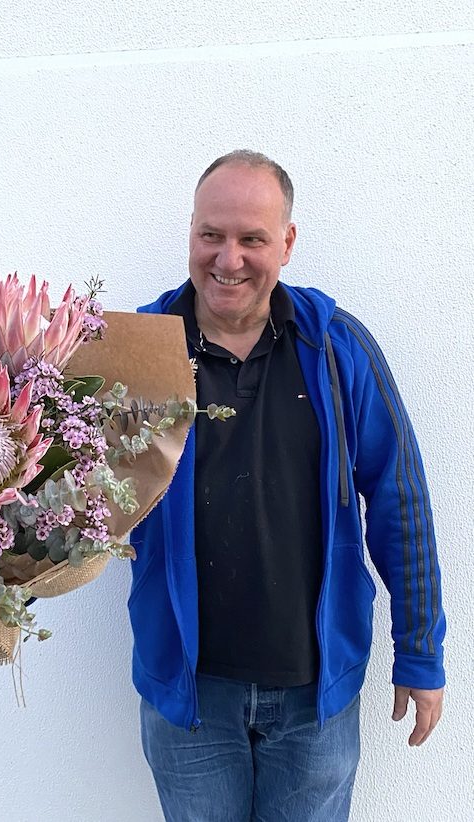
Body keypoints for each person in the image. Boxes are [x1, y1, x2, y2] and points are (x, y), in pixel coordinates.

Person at [129, 150, 446, 822]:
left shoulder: (338, 348)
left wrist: (420, 653)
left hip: (313, 702)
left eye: (252, 239)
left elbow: (400, 499)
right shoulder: (139, 352)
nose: (229, 259)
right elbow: (66, 495)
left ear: (288, 243)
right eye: (212, 235)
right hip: (189, 699)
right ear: (190, 232)